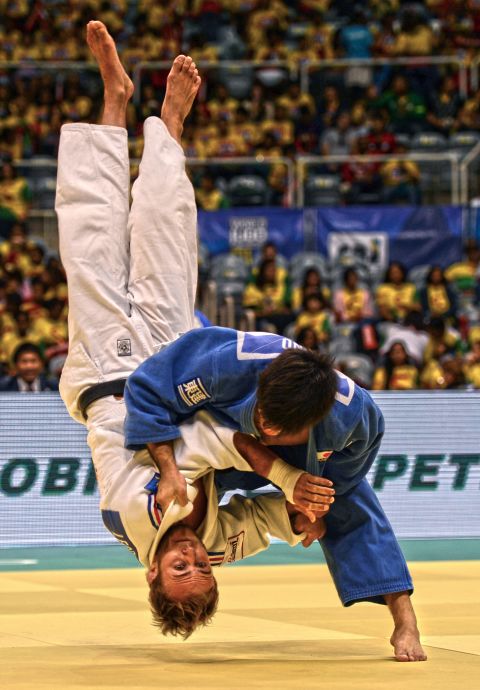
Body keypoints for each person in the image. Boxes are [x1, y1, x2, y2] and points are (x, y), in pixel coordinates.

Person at [57, 22, 330, 639]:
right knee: (170, 240)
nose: (193, 558)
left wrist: (284, 478)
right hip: (175, 364)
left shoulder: (136, 514)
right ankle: (170, 129)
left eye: (180, 568)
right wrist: (301, 519)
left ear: (151, 574)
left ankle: (113, 101)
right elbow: (265, 524)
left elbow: (212, 441)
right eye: (203, 568)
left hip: (110, 372)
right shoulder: (217, 542)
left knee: (90, 242)